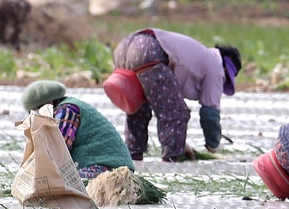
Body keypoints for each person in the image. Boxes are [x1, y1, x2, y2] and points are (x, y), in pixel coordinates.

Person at [103, 28, 241, 162]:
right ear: (225, 69)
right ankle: (172, 159)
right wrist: (213, 144)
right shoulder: (216, 67)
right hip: (148, 51)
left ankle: (132, 156)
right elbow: (209, 113)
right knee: (176, 113)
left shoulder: (200, 55)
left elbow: (162, 96)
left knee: (140, 109)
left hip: (124, 49)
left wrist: (182, 143)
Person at [20, 80, 134, 181]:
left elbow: (58, 151)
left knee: (63, 182)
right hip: (109, 166)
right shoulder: (70, 106)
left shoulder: (67, 110)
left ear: (48, 104)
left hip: (110, 169)